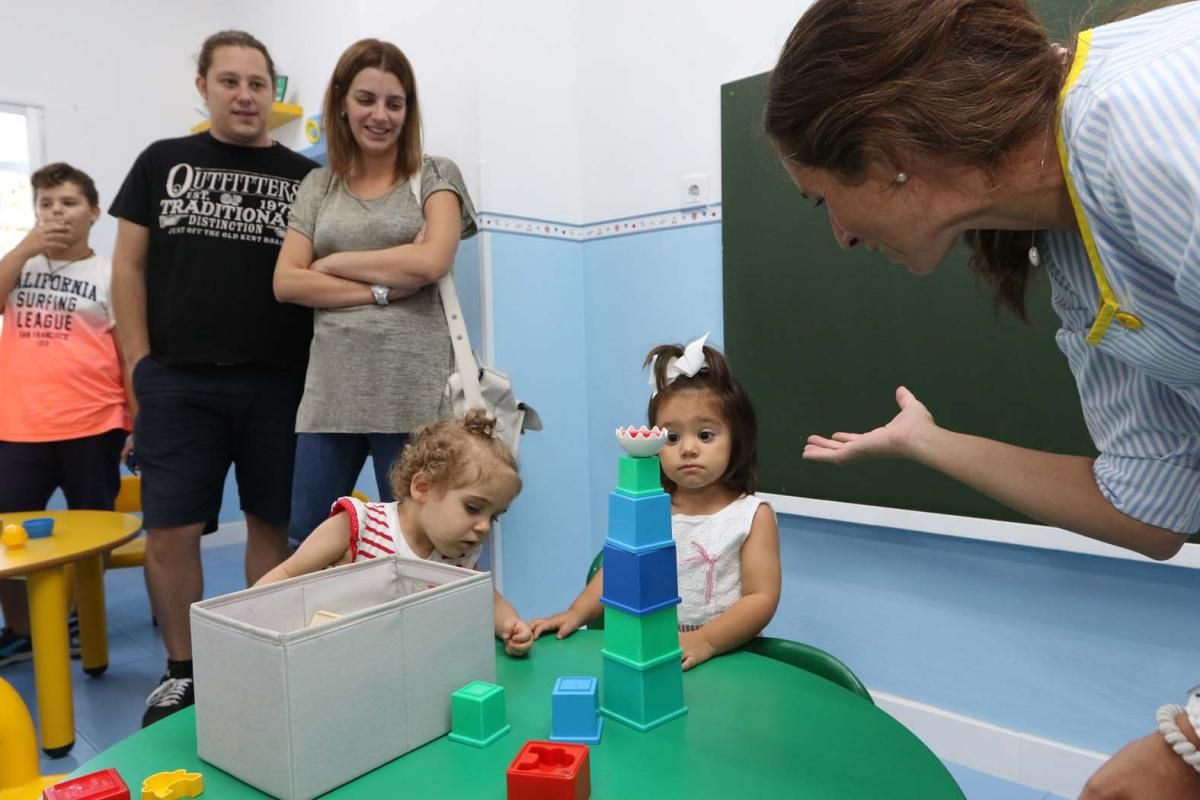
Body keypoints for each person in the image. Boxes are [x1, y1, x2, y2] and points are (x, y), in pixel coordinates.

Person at [765, 0, 1200, 795]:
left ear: (888, 149)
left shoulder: (1142, 122)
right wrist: (924, 442)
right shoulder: (1077, 257)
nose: (841, 237)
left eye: (820, 198)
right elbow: (1152, 511)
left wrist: (1194, 742)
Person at [110, 30, 317, 726]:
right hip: (176, 380)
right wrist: (137, 367)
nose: (245, 95)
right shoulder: (162, 162)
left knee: (273, 524)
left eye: (257, 83)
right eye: (229, 81)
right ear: (203, 86)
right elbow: (128, 268)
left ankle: (261, 658)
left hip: (279, 381)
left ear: (272, 92)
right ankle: (183, 672)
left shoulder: (305, 177)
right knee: (169, 530)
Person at [273, 39, 477, 547]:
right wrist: (385, 289)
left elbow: (433, 261)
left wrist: (336, 262)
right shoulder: (319, 186)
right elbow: (287, 282)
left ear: (409, 110)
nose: (380, 115)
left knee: (421, 544)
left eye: (395, 102)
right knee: (307, 541)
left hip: (413, 394)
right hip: (330, 394)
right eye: (366, 99)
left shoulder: (435, 174)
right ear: (341, 101)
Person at [530, 336, 781, 671]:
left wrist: (705, 640)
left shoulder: (751, 516)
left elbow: (761, 598)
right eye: (672, 437)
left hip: (728, 654)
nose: (688, 449)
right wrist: (575, 613)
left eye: (705, 435)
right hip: (656, 650)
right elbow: (619, 571)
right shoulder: (652, 506)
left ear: (738, 439)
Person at [256, 410, 533, 657]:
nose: (484, 526)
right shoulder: (358, 526)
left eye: (494, 516)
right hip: (332, 661)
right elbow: (287, 576)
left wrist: (510, 625)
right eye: (473, 508)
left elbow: (489, 598)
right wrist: (236, 624)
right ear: (422, 487)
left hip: (402, 670)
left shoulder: (459, 556)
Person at [0, 163, 132, 667]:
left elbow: (126, 355)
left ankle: (77, 619)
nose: (57, 212)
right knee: (6, 537)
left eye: (69, 203)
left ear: (94, 212)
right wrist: (23, 247)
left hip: (94, 425)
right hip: (18, 426)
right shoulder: (20, 268)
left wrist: (135, 423)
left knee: (91, 535)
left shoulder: (108, 275)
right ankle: (19, 630)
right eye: (47, 204)